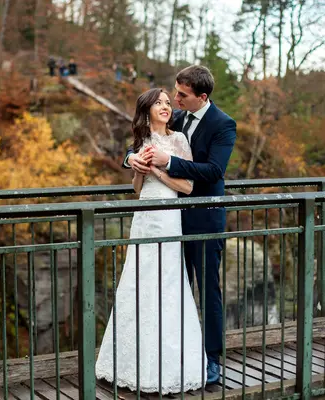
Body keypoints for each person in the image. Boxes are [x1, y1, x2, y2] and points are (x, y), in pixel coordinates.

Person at [123, 65, 237, 385]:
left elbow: (214, 170)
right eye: (175, 92)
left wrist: (167, 163)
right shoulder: (178, 117)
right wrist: (130, 159)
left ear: (202, 97)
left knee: (206, 289)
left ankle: (212, 358)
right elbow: (148, 140)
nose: (175, 99)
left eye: (182, 95)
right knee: (171, 291)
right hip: (169, 222)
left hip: (203, 219)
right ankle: (172, 355)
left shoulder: (223, 124)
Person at [95, 88, 207, 395]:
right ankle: (130, 363)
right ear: (146, 109)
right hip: (143, 219)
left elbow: (186, 187)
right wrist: (138, 167)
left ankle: (169, 366)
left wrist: (159, 168)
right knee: (138, 282)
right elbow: (136, 188)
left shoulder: (179, 140)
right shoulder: (142, 141)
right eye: (159, 102)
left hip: (168, 216)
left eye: (168, 103)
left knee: (168, 284)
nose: (166, 106)